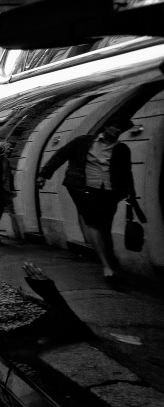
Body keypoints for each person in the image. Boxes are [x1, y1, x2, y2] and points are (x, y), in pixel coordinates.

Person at [37, 115, 136, 289]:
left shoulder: (122, 149)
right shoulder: (83, 142)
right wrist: (44, 175)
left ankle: (110, 263)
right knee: (94, 224)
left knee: (105, 228)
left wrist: (131, 195)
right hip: (83, 190)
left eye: (121, 129)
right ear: (106, 126)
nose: (118, 130)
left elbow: (127, 172)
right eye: (115, 126)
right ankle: (108, 268)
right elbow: (60, 156)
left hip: (109, 193)